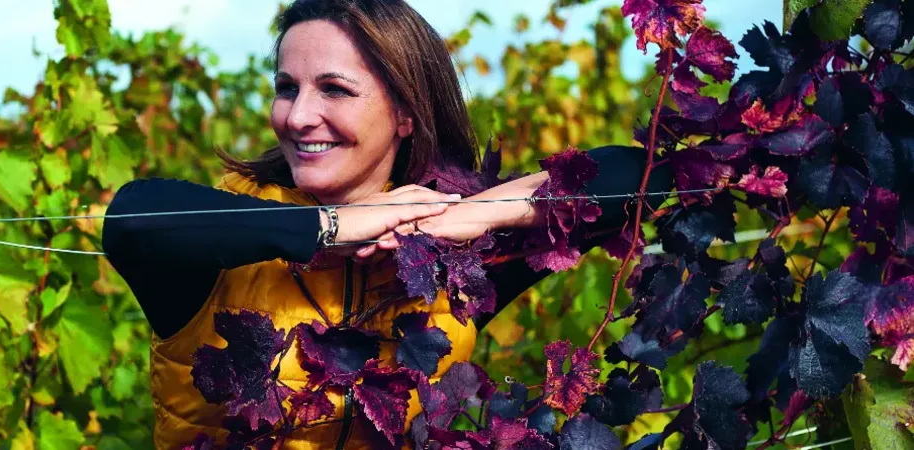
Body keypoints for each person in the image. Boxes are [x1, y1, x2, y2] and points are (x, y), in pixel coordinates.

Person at [101, 0, 671, 448]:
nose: (298, 116)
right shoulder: (227, 234)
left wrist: (469, 214)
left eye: (334, 89)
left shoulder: (452, 259)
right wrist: (330, 226)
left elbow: (643, 175)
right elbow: (132, 219)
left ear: (405, 113)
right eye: (286, 88)